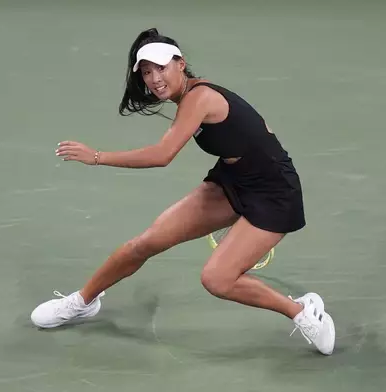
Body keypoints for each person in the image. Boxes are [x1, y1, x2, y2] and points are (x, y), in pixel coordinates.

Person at [30, 28, 335, 355]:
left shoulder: (200, 98)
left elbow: (163, 155)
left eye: (161, 68)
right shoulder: (188, 99)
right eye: (146, 72)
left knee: (218, 279)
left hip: (275, 193)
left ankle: (303, 311)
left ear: (181, 64)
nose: (154, 78)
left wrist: (97, 157)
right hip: (233, 179)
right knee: (145, 243)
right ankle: (82, 302)